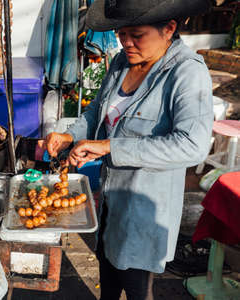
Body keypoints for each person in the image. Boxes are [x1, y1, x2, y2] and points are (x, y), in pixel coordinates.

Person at [40, 0, 214, 299]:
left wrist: (109, 146)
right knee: (107, 274)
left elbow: (192, 146)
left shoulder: (186, 73)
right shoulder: (123, 61)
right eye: (122, 33)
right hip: (110, 201)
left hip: (144, 210)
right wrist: (69, 136)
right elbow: (97, 112)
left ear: (169, 28)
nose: (127, 43)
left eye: (137, 34)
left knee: (136, 287)